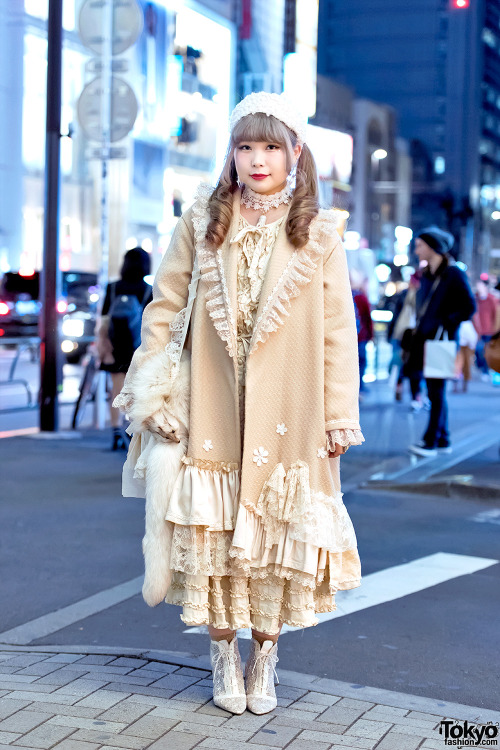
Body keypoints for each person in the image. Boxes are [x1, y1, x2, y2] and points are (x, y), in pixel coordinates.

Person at [114, 92, 364, 715]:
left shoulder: (320, 233)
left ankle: (266, 660)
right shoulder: (202, 221)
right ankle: (223, 656)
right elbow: (164, 310)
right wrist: (154, 391)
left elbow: (338, 333)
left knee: (279, 544)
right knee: (217, 539)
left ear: (295, 154)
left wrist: (339, 414)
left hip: (293, 412)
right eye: (246, 146)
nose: (257, 160)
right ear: (231, 155)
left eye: (271, 146)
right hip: (212, 406)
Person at [408, 227, 475, 457]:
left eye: (419, 245)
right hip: (427, 340)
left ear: (432, 246)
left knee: (436, 391)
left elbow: (468, 307)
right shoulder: (428, 274)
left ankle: (430, 441)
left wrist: (447, 322)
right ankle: (443, 439)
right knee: (435, 390)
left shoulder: (453, 273)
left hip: (442, 339)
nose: (416, 250)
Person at [97, 247, 153, 450]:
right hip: (137, 347)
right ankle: (132, 430)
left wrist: (103, 346)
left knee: (116, 388)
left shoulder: (112, 288)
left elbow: (103, 320)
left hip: (113, 345)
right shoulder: (148, 289)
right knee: (137, 389)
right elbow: (150, 322)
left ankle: (115, 431)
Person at [350, 270, 373, 393]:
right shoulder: (361, 296)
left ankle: (357, 386)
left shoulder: (347, 295)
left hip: (352, 336)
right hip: (360, 336)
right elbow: (367, 317)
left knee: (355, 362)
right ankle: (359, 386)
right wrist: (370, 334)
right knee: (361, 361)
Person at [473, 279, 500, 379]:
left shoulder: (492, 299)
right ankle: (484, 369)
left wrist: (495, 329)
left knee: (488, 352)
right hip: (479, 331)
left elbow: (496, 315)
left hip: (490, 331)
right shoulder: (476, 299)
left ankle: (487, 370)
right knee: (479, 350)